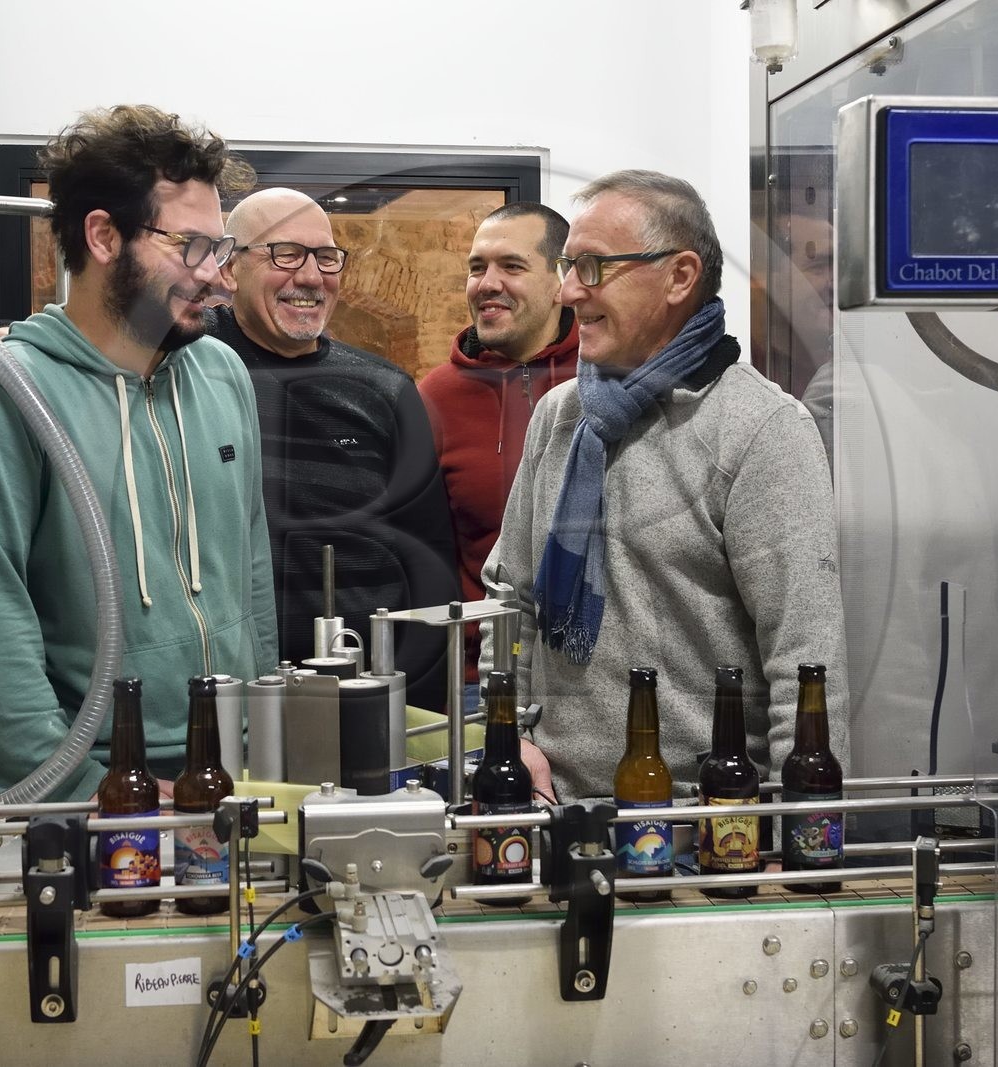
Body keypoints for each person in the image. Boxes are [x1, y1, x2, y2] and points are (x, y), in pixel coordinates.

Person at [0, 105, 277, 803]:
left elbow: (251, 570)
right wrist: (86, 794)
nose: (222, 278)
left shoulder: (222, 374)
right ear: (104, 236)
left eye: (223, 251)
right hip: (102, 790)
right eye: (194, 248)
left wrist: (263, 741)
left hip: (233, 772)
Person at [480, 169, 849, 803]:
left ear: (679, 276)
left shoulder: (762, 430)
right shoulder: (561, 415)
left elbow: (806, 661)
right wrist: (510, 739)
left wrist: (798, 837)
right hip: (555, 810)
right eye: (569, 266)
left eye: (592, 267)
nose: (568, 291)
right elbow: (512, 601)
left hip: (704, 825)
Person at [206, 188, 458, 711]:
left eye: (326, 257)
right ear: (230, 269)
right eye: (285, 254)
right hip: (226, 690)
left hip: (362, 687)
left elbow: (429, 557)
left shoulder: (383, 387)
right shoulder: (187, 369)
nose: (311, 276)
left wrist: (423, 708)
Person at [419, 203, 579, 709]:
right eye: (476, 267)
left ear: (561, 280)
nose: (487, 283)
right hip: (479, 683)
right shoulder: (437, 397)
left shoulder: (606, 380)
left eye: (512, 266)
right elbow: (424, 557)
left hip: (594, 680)